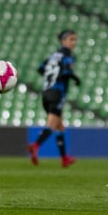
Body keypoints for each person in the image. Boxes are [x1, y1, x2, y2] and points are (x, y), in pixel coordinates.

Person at [27, 30, 80, 168]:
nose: (74, 42)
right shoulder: (68, 55)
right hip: (57, 92)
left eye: (75, 39)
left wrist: (50, 77)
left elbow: (40, 69)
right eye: (71, 39)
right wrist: (76, 79)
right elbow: (67, 72)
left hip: (46, 92)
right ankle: (36, 145)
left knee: (59, 126)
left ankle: (64, 158)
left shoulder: (52, 56)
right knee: (52, 125)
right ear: (63, 41)